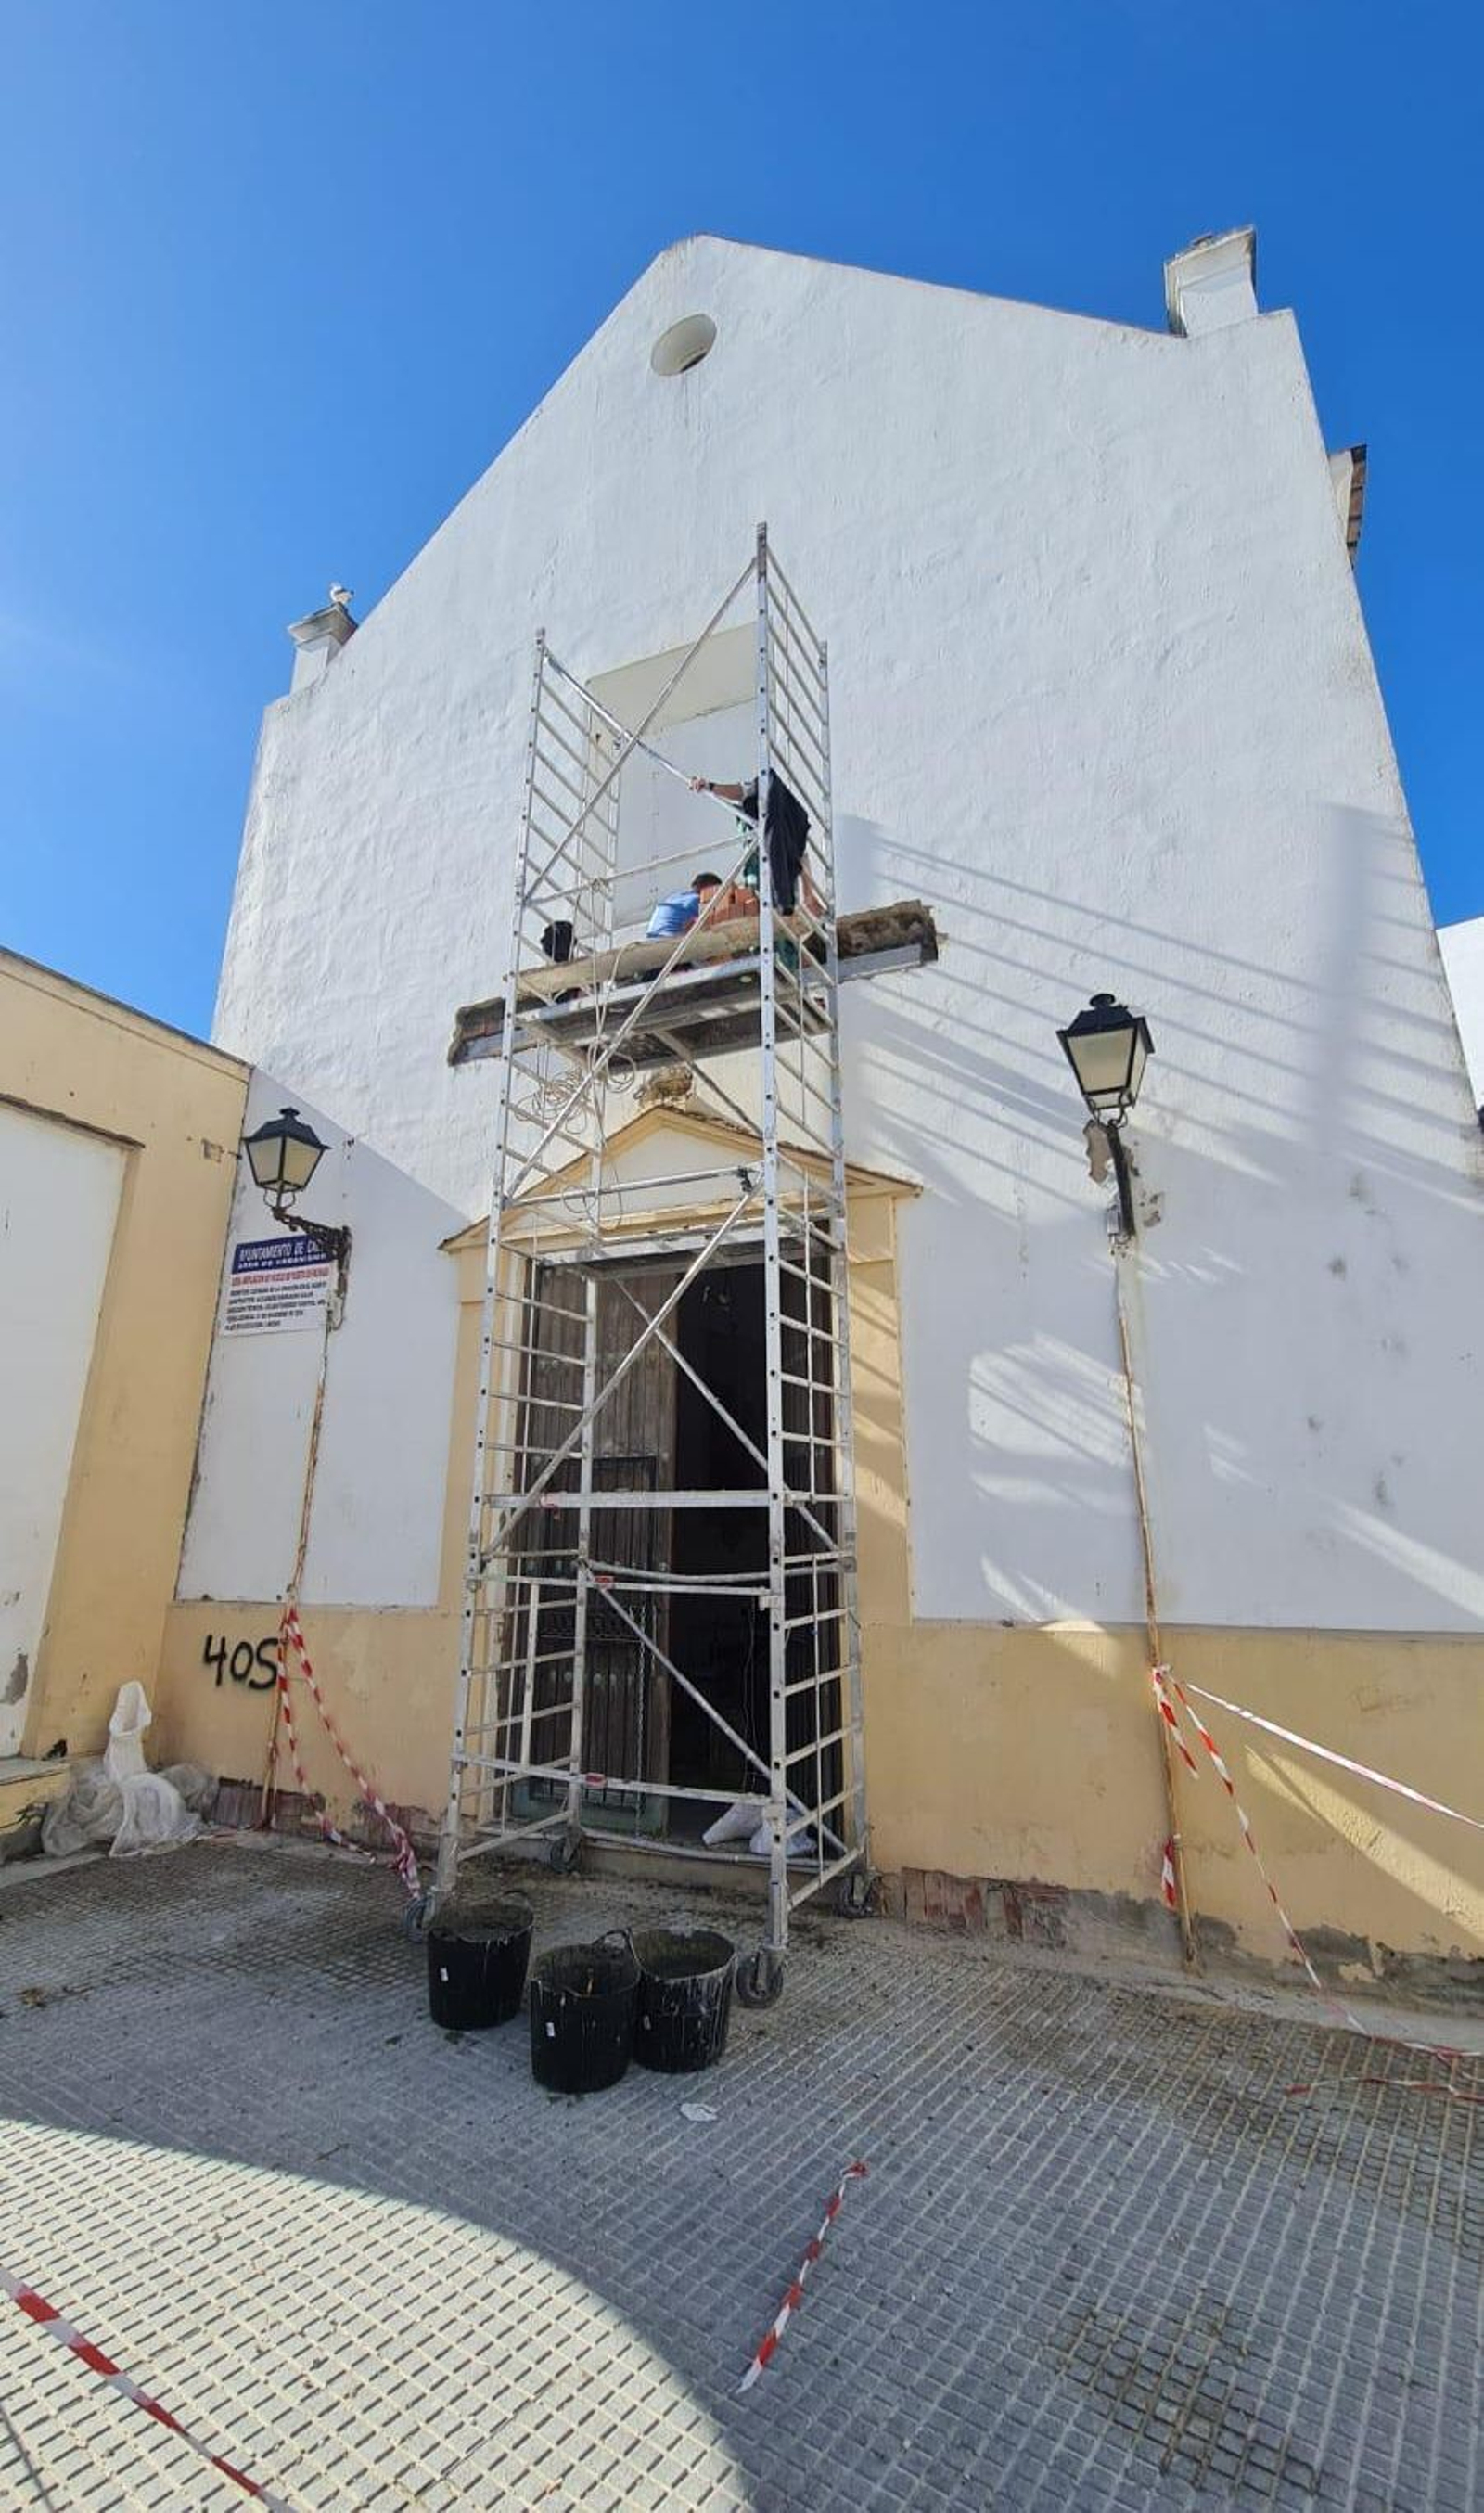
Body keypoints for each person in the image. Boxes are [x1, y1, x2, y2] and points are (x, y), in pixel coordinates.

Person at [689, 776, 824, 920]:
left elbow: (801, 854)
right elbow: (740, 792)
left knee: (784, 930)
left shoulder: (777, 816)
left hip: (781, 891)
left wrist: (808, 893)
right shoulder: (750, 815)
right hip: (759, 889)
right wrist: (709, 786)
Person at [646, 869, 723, 940]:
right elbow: (711, 920)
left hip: (651, 937)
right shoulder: (697, 900)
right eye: (716, 890)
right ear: (710, 887)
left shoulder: (676, 897)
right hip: (669, 938)